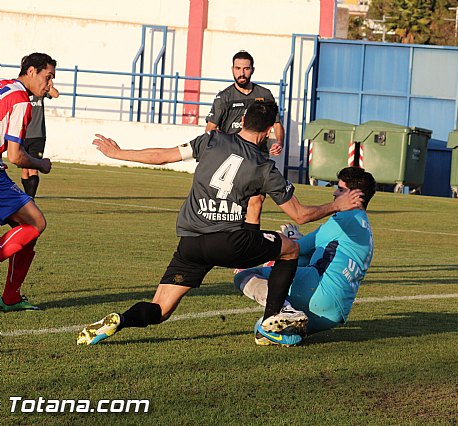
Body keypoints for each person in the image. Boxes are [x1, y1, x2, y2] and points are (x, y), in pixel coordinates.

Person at [77, 102, 363, 346]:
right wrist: (336, 205)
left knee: (160, 309)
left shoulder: (210, 140)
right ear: (266, 132)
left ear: (241, 122)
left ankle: (120, 320)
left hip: (190, 243)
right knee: (288, 249)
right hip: (230, 242)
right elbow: (300, 215)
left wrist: (119, 153)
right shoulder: (264, 168)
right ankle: (273, 316)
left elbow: (162, 156)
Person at [234, 167, 376, 346]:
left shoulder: (346, 217)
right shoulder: (364, 226)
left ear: (355, 196)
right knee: (262, 329)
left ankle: (285, 310)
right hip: (334, 313)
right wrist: (295, 239)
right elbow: (317, 251)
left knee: (244, 275)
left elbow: (298, 248)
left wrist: (264, 251)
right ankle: (291, 334)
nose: (334, 193)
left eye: (340, 189)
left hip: (319, 292)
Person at [0, 52, 56, 312]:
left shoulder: (4, 86)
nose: (50, 85)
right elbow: (16, 156)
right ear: (31, 71)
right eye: (48, 77)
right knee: (36, 222)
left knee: (26, 232)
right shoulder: (22, 101)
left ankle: (11, 296)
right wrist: (41, 164)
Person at [205, 50, 285, 230]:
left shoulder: (264, 95)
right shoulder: (224, 97)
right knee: (231, 208)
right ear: (232, 69)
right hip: (233, 160)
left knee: (256, 203)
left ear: (252, 70)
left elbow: (277, 124)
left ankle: (250, 245)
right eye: (238, 68)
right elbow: (210, 130)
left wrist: (278, 142)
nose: (242, 73)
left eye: (246, 68)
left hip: (258, 159)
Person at [21, 84, 59, 198]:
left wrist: (48, 84)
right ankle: (27, 198)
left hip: (38, 135)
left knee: (33, 168)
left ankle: (30, 199)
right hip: (23, 134)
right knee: (24, 170)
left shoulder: (40, 88)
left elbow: (55, 94)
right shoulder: (21, 90)